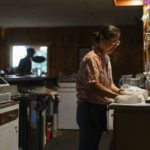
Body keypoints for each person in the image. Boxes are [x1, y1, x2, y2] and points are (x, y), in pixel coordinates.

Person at [76, 25, 129, 150]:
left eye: (118, 42)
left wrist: (123, 93)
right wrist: (116, 96)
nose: (115, 45)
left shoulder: (105, 58)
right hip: (89, 108)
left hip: (98, 107)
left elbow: (109, 85)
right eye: (113, 41)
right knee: (88, 146)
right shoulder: (92, 58)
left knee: (94, 145)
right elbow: (94, 85)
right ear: (102, 38)